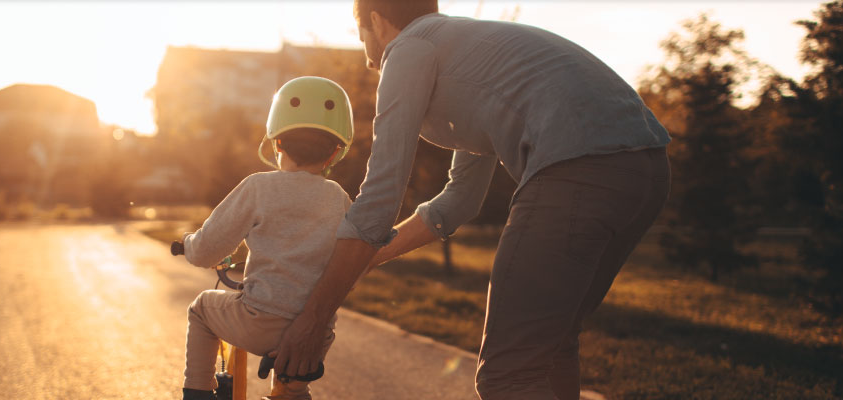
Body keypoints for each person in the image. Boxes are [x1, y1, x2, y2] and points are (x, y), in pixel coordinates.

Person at [271, 1, 672, 399]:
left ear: (376, 21)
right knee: (550, 348)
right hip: (647, 168)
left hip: (578, 166)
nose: (366, 60)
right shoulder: (468, 50)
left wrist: (313, 317)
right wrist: (366, 259)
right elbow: (460, 201)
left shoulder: (409, 48)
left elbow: (379, 196)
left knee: (506, 375)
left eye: (362, 38)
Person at [177, 77, 356, 400]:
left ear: (277, 143)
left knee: (201, 309)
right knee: (292, 392)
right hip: (317, 333)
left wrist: (189, 244)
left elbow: (206, 250)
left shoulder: (259, 187)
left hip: (259, 321)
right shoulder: (339, 197)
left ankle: (199, 392)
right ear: (334, 152)